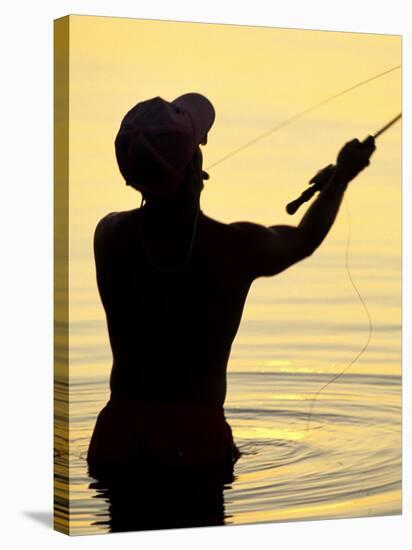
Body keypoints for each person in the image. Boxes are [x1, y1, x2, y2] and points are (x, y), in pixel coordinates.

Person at [87, 93, 375, 511]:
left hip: (116, 444)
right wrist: (340, 179)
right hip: (195, 448)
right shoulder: (234, 248)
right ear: (191, 170)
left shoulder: (108, 236)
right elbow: (304, 238)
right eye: (197, 149)